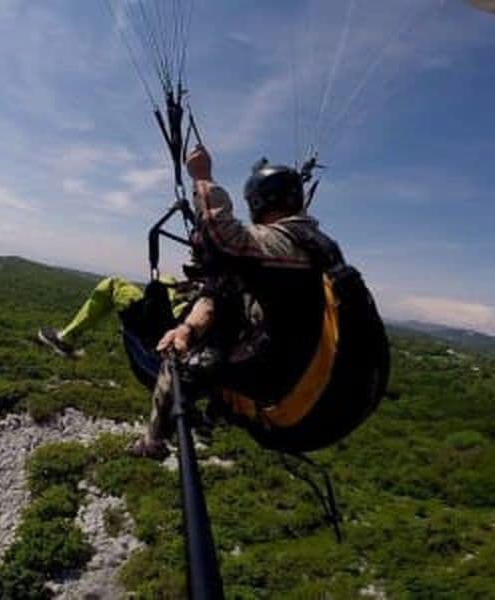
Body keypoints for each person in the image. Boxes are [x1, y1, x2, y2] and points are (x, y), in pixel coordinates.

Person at [128, 144, 389, 458]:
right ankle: (214, 415)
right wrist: (188, 329)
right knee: (222, 337)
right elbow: (222, 293)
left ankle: (152, 442)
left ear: (258, 202)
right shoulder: (321, 251)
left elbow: (223, 238)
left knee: (183, 365)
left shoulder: (283, 243)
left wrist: (202, 176)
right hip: (340, 407)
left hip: (297, 416)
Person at [38, 276, 192, 358]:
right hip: (186, 324)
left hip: (162, 332)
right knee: (167, 280)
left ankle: (66, 339)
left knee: (113, 284)